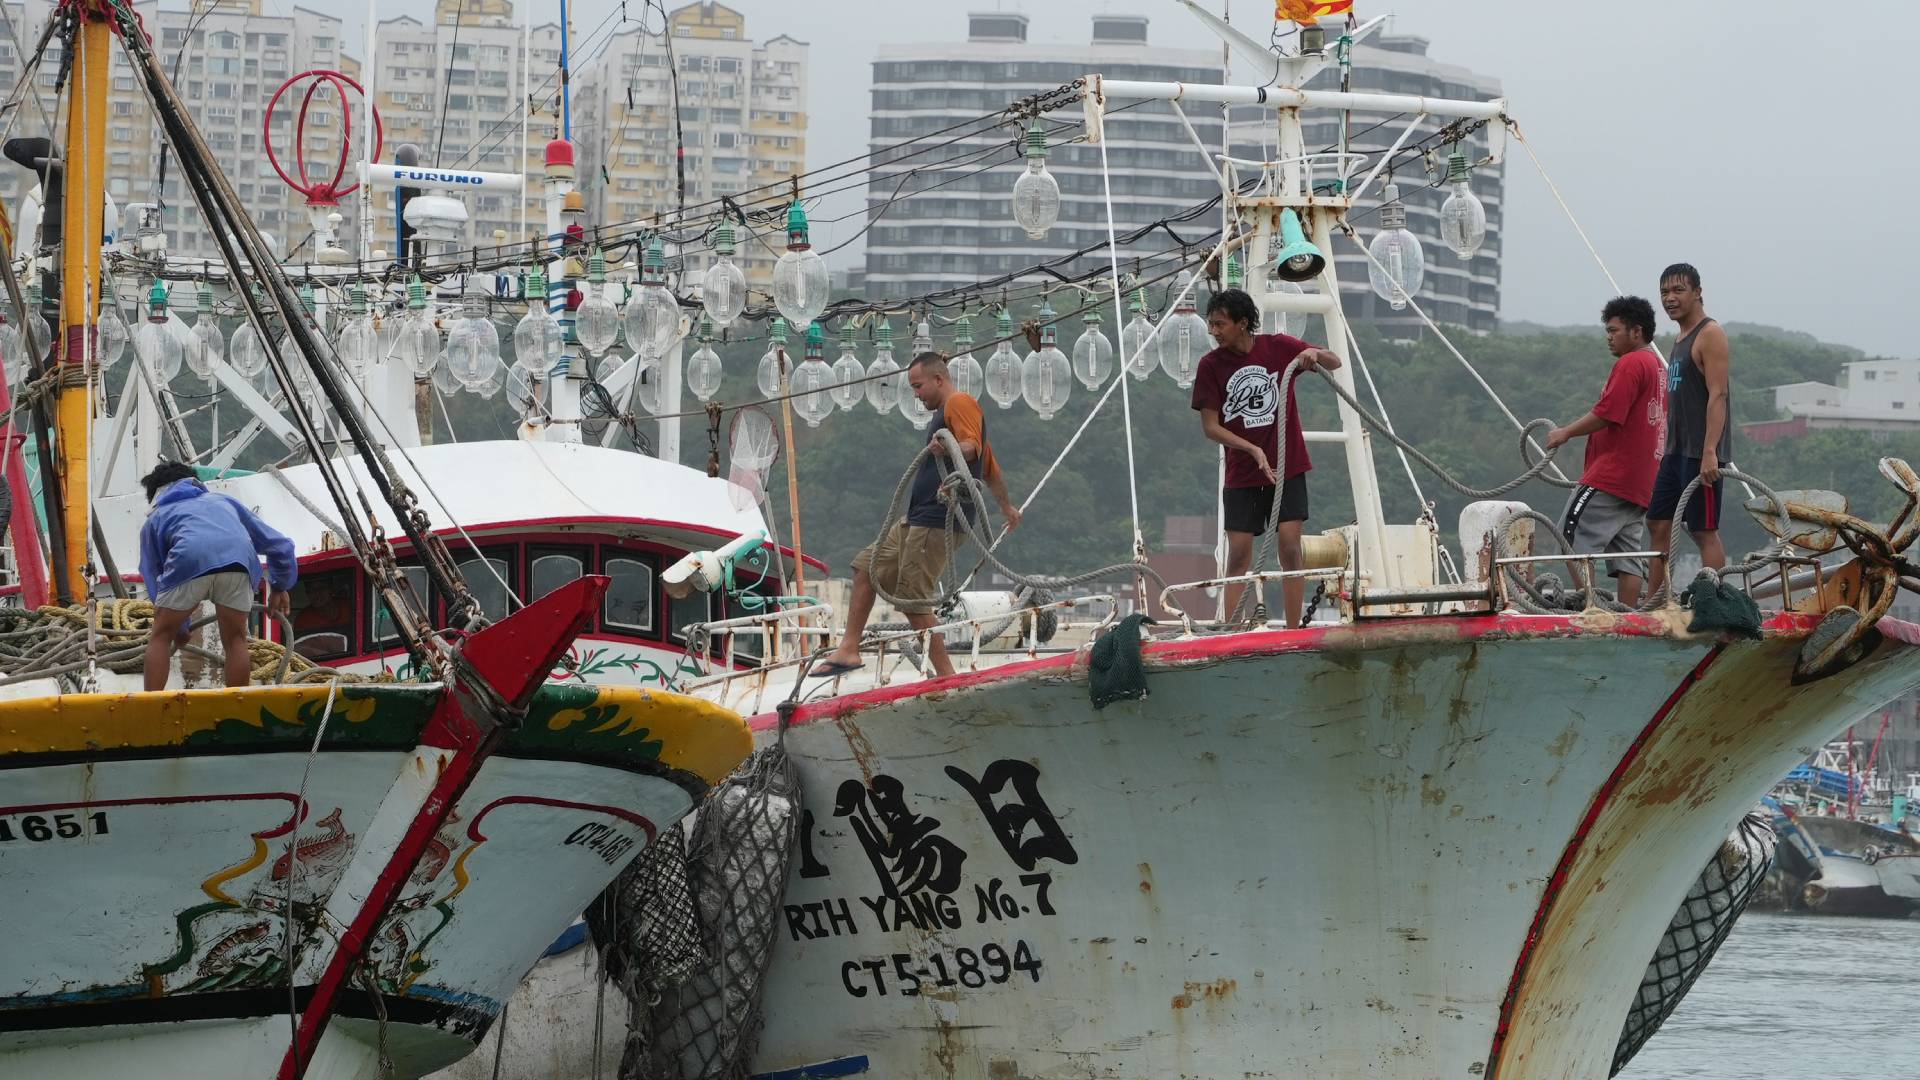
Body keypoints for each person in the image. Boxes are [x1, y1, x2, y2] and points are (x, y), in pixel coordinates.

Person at [810, 352, 1020, 679]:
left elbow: (971, 449)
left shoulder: (959, 403)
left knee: (912, 597)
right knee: (866, 567)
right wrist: (1006, 506)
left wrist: (948, 448)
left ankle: (948, 675)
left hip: (937, 521)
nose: (916, 394)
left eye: (918, 386)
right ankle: (849, 649)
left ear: (939, 379)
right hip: (916, 517)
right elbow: (990, 467)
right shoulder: (953, 414)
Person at [1191, 288, 1342, 627]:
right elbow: (1211, 427)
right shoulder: (1211, 365)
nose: (1214, 332)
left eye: (1220, 324)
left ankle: (1292, 630)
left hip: (1288, 468)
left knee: (1290, 549)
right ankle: (1231, 632)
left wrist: (1312, 355)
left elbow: (1335, 360)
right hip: (1243, 475)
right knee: (1239, 557)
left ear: (1243, 323)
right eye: (1210, 324)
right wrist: (1251, 448)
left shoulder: (1279, 347)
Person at [1545, 296, 1666, 605]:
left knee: (1568, 537)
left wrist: (1565, 433)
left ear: (1636, 331)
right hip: (1643, 481)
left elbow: (1608, 413)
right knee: (1627, 554)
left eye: (1614, 331)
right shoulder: (1657, 365)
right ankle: (1626, 617)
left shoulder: (1631, 363)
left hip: (1612, 477)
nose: (1609, 338)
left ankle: (1592, 609)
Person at [138, 461, 297, 691]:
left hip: (188, 561)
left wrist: (180, 627)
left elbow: (153, 575)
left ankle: (150, 710)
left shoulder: (156, 518)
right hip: (238, 563)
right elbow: (280, 545)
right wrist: (280, 586)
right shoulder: (224, 502)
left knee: (161, 636)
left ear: (156, 495)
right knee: (236, 640)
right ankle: (237, 708)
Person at [1647, 263, 1731, 598]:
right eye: (1665, 292)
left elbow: (1718, 394)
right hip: (1675, 452)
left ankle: (1719, 600)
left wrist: (1710, 451)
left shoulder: (1709, 334)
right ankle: (1654, 600)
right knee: (1657, 523)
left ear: (1697, 292)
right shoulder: (1680, 337)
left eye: (1678, 290)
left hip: (1700, 453)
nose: (1670, 298)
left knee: (1703, 530)